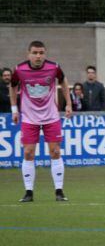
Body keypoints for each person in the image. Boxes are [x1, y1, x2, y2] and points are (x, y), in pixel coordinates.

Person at [9, 41, 72, 202]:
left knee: (55, 152)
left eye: (41, 53)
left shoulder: (54, 67)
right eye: (35, 53)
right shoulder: (19, 69)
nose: (38, 56)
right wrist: (14, 110)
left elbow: (63, 81)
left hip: (51, 116)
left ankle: (59, 191)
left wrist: (69, 104)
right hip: (29, 118)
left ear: (45, 53)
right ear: (28, 54)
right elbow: (13, 86)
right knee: (28, 152)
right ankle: (28, 192)